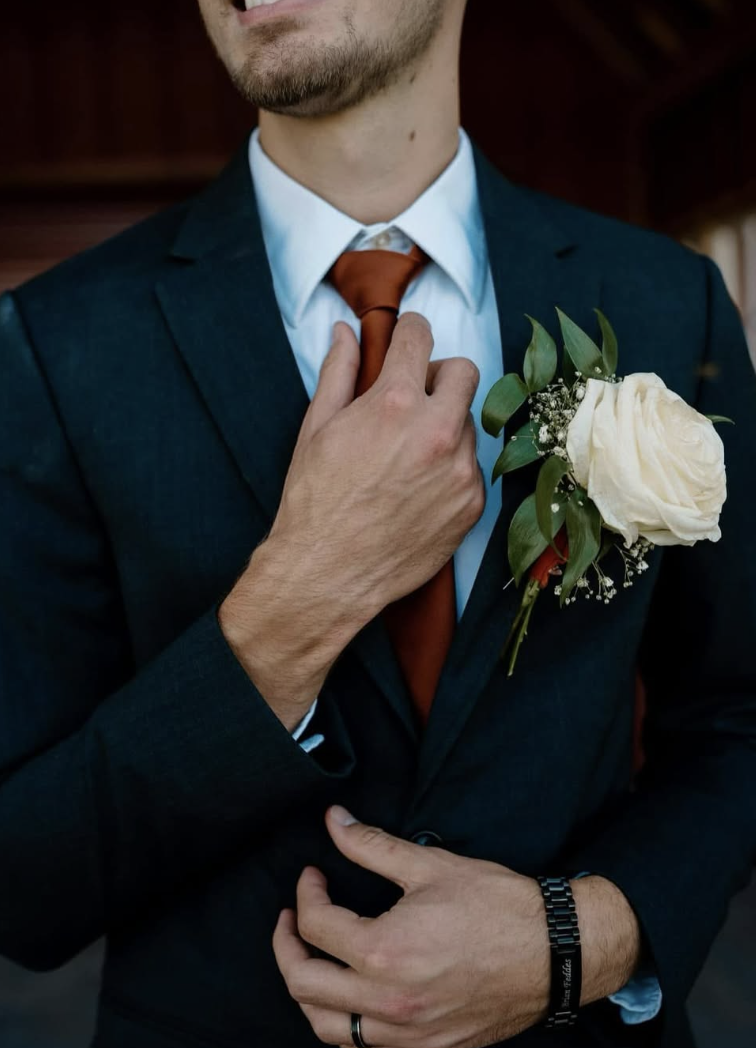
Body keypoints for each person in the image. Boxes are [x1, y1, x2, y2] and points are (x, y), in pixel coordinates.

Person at [0, 0, 754, 1045]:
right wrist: (296, 606)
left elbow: (739, 719)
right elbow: (24, 876)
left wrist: (580, 939)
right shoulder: (56, 342)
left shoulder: (673, 301)